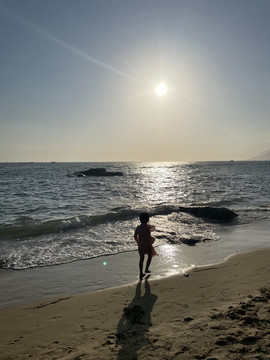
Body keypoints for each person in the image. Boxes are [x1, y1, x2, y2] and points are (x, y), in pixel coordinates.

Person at [134, 213, 157, 280]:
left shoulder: (138, 227)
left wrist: (138, 241)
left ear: (140, 220)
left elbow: (135, 236)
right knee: (149, 256)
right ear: (148, 220)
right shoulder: (148, 227)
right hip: (147, 244)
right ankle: (146, 269)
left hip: (141, 245)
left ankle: (141, 272)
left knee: (141, 258)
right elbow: (153, 228)